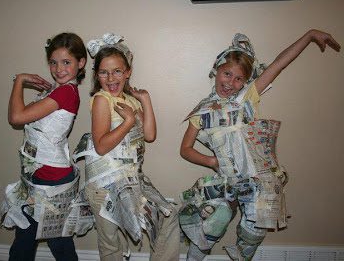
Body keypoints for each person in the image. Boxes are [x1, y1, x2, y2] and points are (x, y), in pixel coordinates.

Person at [179, 30, 340, 261]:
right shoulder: (203, 111)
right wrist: (211, 161)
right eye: (226, 74)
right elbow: (185, 149)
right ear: (216, 71)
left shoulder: (247, 98)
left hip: (256, 178)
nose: (231, 83)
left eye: (239, 79)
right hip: (226, 178)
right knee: (214, 222)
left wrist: (309, 36)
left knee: (254, 230)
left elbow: (279, 64)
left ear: (246, 82)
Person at [73, 33, 180, 261]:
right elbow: (101, 146)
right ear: (97, 75)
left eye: (117, 71)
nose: (111, 78)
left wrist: (146, 100)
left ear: (128, 72)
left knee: (168, 217)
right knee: (111, 244)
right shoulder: (103, 99)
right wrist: (129, 122)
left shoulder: (130, 101)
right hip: (104, 185)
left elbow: (150, 135)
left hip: (130, 180)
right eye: (104, 72)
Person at [0, 32, 93, 261]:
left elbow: (16, 117)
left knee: (58, 242)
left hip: (51, 178)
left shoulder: (65, 92)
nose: (59, 68)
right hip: (39, 175)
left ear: (81, 63)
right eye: (53, 62)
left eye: (66, 62)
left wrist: (20, 80)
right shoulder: (57, 89)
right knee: (26, 236)